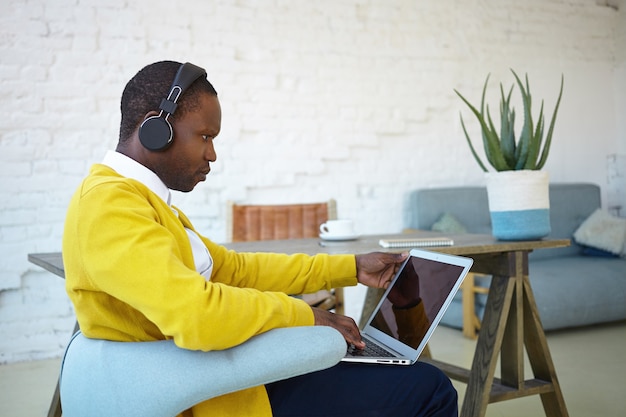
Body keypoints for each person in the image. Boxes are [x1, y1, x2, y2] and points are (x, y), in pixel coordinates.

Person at [62, 60, 458, 417]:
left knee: (395, 375)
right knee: (431, 389)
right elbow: (198, 315)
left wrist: (350, 267)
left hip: (232, 373)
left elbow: (234, 269)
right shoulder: (109, 206)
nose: (212, 154)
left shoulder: (145, 201)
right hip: (217, 395)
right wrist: (309, 316)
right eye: (204, 136)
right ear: (155, 130)